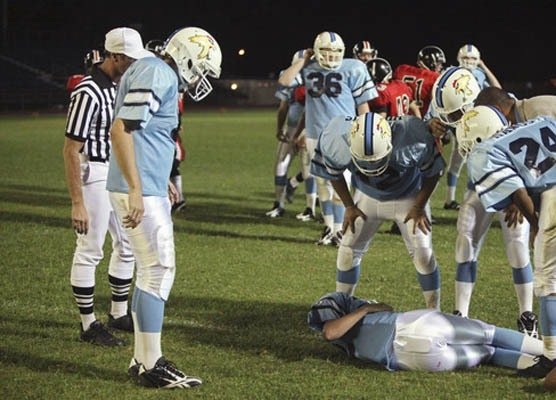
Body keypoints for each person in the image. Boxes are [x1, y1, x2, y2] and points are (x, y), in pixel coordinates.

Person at [107, 26, 222, 388]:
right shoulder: (159, 73)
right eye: (201, 68)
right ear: (186, 58)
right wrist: (137, 187)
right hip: (137, 188)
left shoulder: (153, 69)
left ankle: (142, 359)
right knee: (158, 270)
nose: (201, 78)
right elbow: (121, 130)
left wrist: (160, 179)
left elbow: (147, 134)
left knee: (149, 272)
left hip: (145, 184)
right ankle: (151, 362)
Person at [63, 28, 147, 346]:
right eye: (129, 59)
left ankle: (118, 312)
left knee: (127, 243)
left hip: (115, 172)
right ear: (114, 56)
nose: (134, 64)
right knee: (90, 249)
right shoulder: (88, 90)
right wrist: (77, 202)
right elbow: (71, 149)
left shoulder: (118, 86)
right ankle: (88, 325)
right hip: (94, 172)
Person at [458, 105, 556, 378]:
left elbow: (517, 191)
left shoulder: (483, 152)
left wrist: (535, 225)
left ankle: (551, 357)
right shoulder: (540, 121)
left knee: (549, 283)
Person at [434, 80, 539, 335]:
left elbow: (532, 159)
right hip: (479, 187)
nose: (456, 116)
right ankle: (461, 314)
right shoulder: (469, 114)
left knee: (518, 246)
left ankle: (526, 315)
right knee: (465, 239)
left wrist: (521, 197)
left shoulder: (512, 112)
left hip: (514, 189)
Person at [310, 112, 444, 308]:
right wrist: (349, 206)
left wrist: (418, 206)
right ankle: (341, 307)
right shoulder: (337, 139)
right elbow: (334, 173)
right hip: (367, 197)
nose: (371, 165)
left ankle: (434, 311)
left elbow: (433, 172)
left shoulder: (411, 136)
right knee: (347, 251)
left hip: (408, 196)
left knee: (423, 254)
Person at [278, 31, 377, 245]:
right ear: (316, 51)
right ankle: (329, 229)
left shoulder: (354, 67)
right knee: (323, 184)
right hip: (315, 134)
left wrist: (367, 131)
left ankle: (340, 230)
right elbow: (285, 80)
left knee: (342, 183)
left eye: (336, 51)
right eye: (326, 51)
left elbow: (363, 104)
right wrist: (304, 59)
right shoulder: (309, 67)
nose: (331, 56)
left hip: (344, 134)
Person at [308, 292, 544, 372]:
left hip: (413, 360)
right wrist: (365, 309)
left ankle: (543, 366)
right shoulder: (343, 310)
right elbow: (330, 332)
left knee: (490, 353)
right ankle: (549, 352)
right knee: (491, 334)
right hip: (417, 325)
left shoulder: (353, 348)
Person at [266, 50, 315, 219]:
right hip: (294, 127)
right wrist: (280, 128)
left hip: (309, 128)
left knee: (308, 168)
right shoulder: (291, 78)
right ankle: (280, 204)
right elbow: (283, 106)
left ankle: (309, 209)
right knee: (283, 164)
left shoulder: (318, 77)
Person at [393, 45, 445, 117]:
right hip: (420, 118)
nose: (441, 66)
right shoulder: (435, 78)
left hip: (396, 116)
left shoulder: (401, 69)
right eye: (439, 64)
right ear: (431, 63)